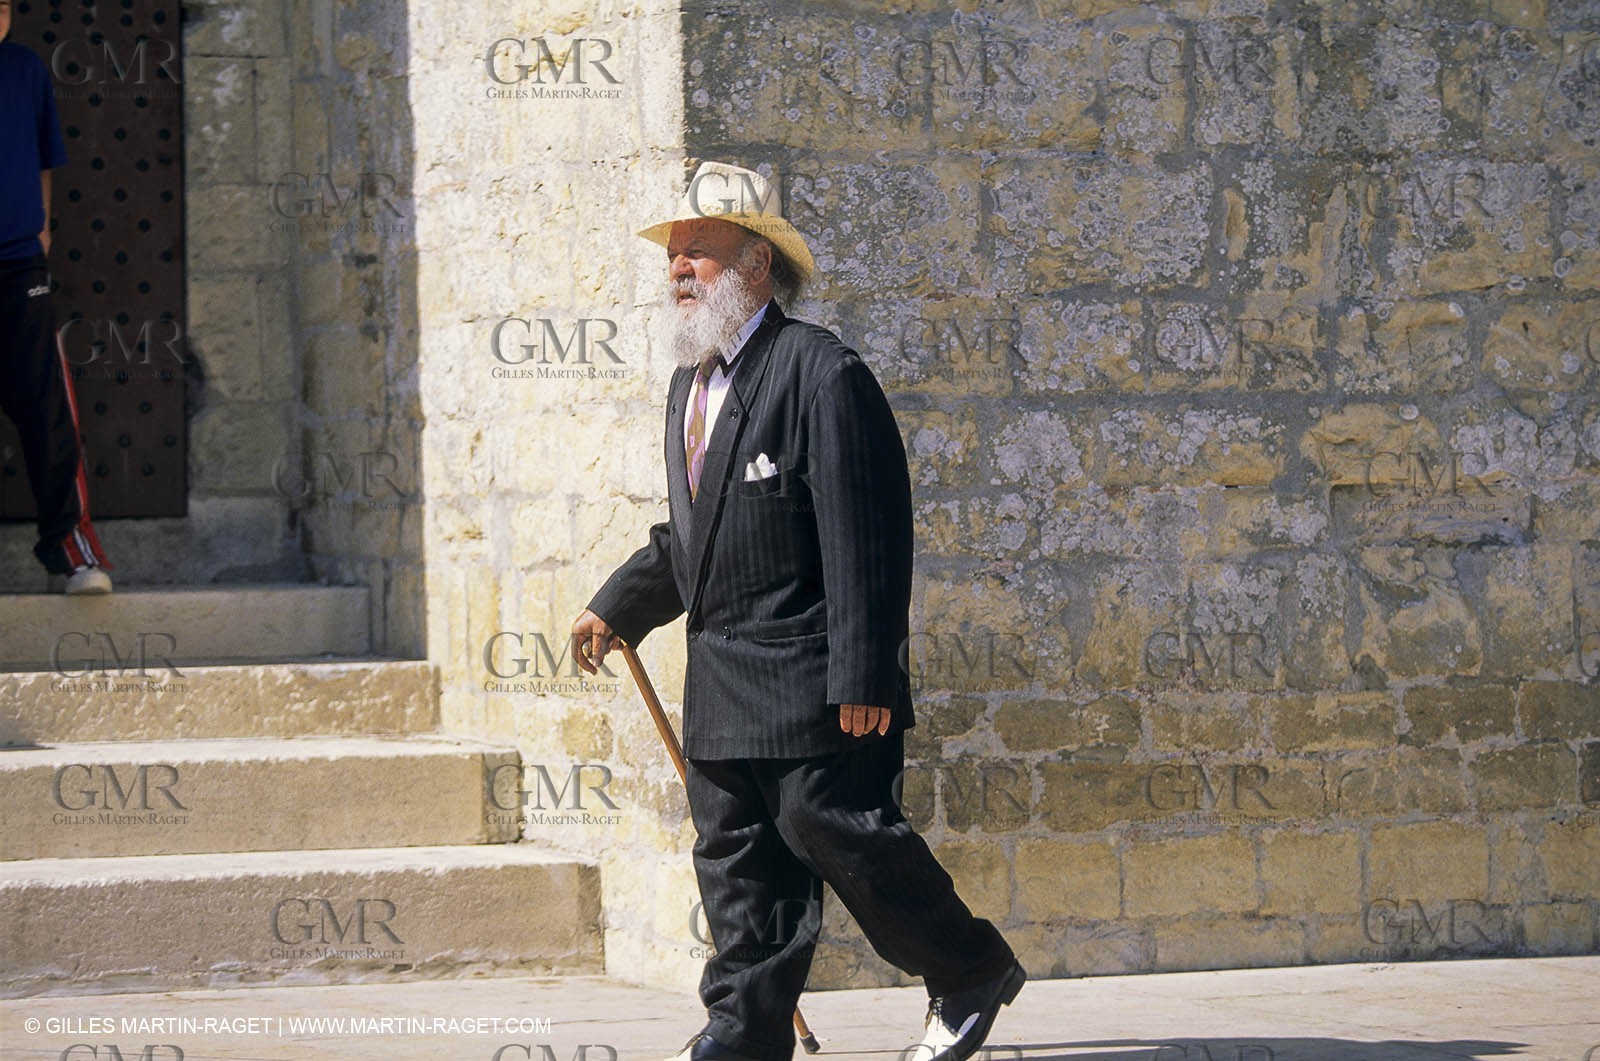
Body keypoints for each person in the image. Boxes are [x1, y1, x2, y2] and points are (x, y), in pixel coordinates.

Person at [572, 161, 1023, 1061]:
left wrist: (867, 675)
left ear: (759, 267)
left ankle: (968, 969)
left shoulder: (822, 372)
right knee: (737, 866)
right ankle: (743, 1030)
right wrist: (619, 604)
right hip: (723, 687)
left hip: (815, 685)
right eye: (674, 253)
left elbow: (867, 537)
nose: (679, 268)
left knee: (841, 833)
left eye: (700, 250)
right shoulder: (688, 391)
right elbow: (696, 538)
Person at [0, 0, 113, 594]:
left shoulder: (24, 69)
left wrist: (41, 228)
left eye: (1, 6)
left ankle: (72, 552)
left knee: (49, 408)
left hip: (18, 262)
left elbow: (46, 157)